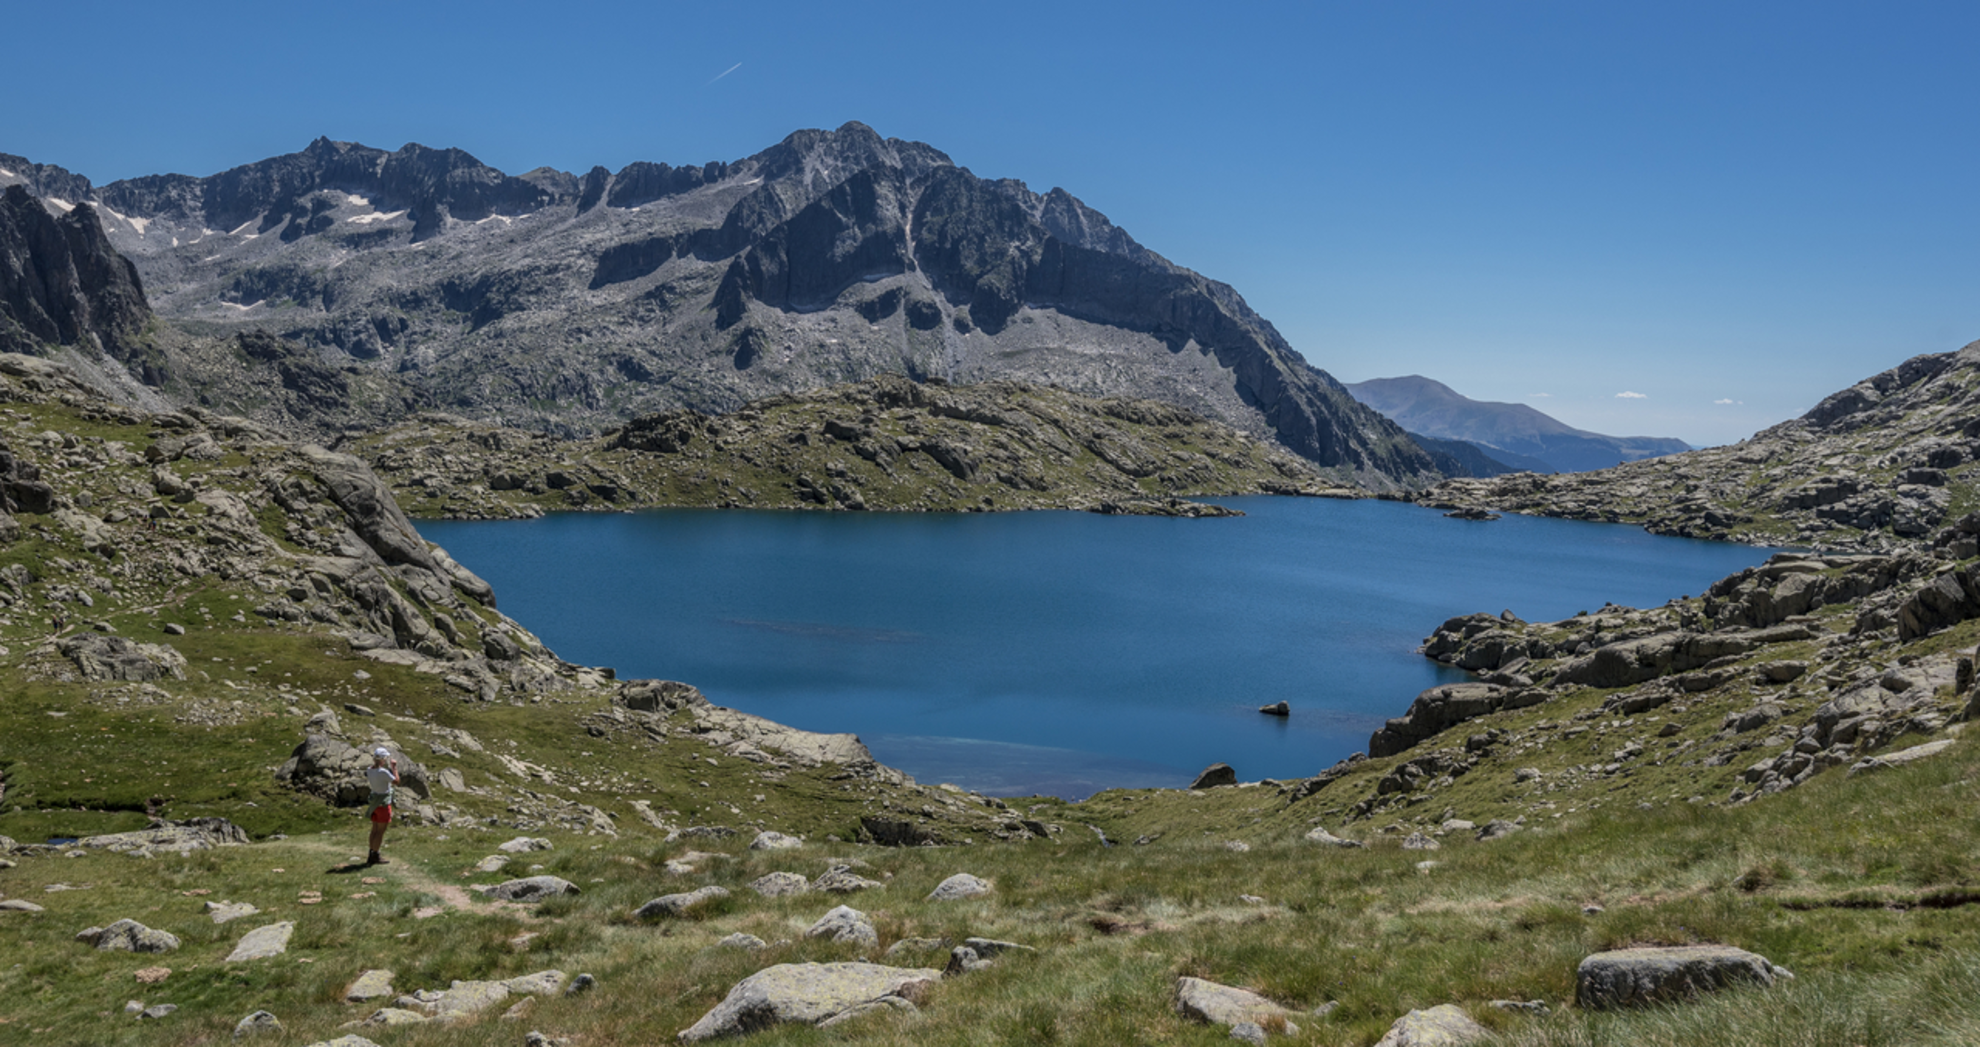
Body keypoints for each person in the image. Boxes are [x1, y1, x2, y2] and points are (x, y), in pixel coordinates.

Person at [365, 747, 399, 865]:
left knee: (374, 829)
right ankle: (375, 855)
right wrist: (394, 768)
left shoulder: (369, 770)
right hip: (383, 803)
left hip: (374, 802)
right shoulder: (383, 772)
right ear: (383, 759)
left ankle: (371, 852)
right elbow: (396, 781)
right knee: (380, 831)